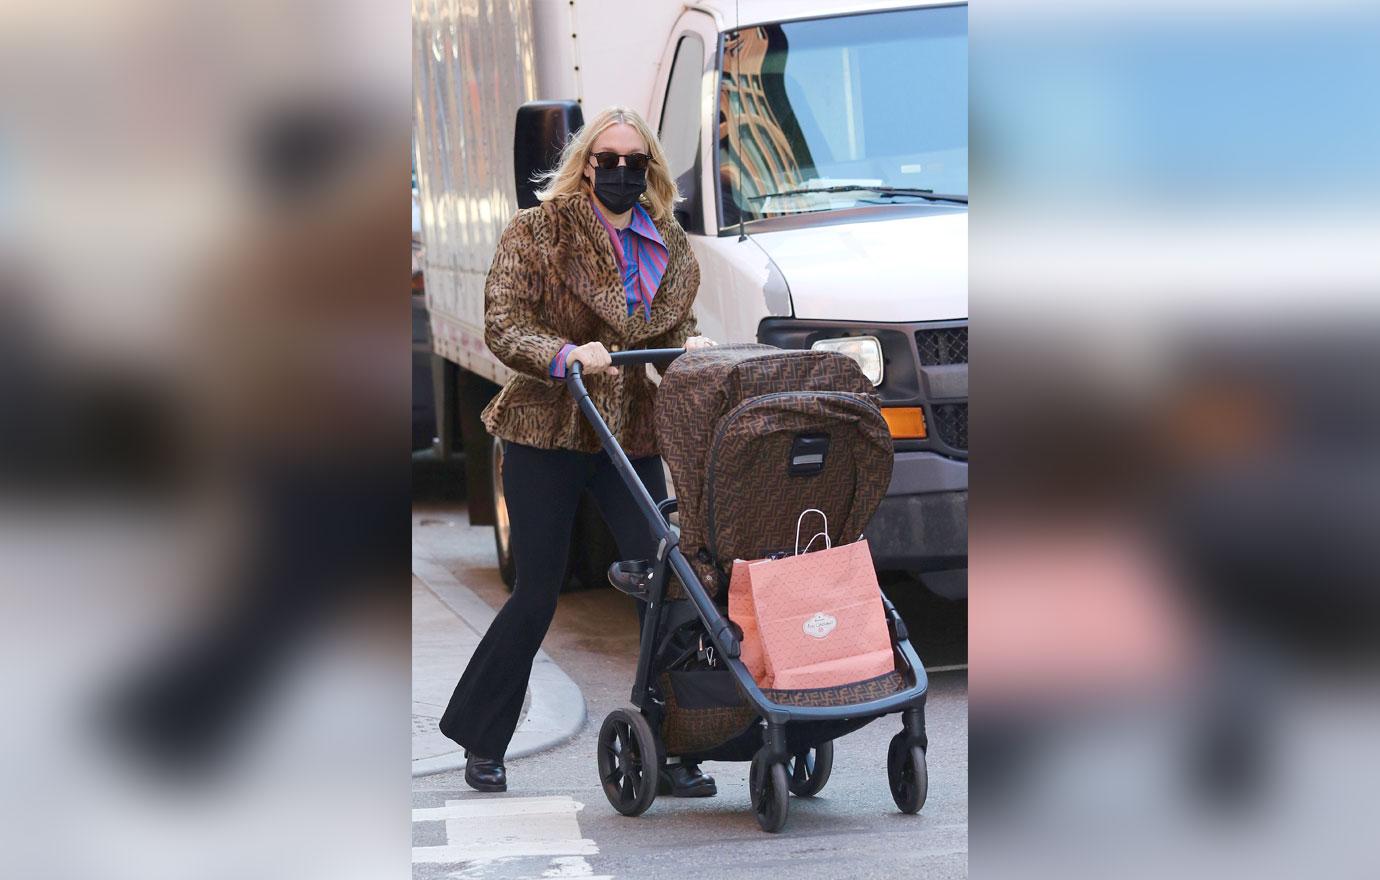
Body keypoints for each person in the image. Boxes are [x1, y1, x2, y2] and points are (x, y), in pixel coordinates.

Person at [439, 106, 718, 796]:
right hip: (549, 431)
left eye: (634, 162)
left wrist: (695, 351)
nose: (619, 172)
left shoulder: (668, 246)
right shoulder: (537, 233)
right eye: (607, 159)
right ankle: (482, 738)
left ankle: (677, 744)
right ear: (585, 165)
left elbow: (676, 327)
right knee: (537, 591)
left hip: (629, 434)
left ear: (648, 170)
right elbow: (505, 324)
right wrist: (565, 354)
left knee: (669, 580)